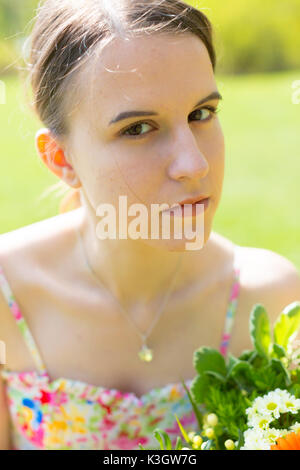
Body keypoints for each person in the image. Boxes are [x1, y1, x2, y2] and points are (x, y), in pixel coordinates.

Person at [0, 0, 299, 451]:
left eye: (202, 114)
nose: (194, 164)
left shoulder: (271, 302)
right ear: (62, 160)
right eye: (138, 128)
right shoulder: (8, 299)